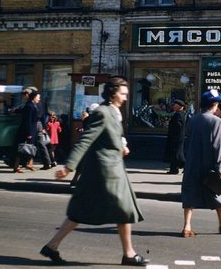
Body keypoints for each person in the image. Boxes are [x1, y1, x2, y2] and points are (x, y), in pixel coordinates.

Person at [40, 76, 149, 266]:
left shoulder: (114, 112)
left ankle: (52, 245)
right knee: (123, 211)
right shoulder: (103, 112)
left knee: (82, 210)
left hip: (111, 169)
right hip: (105, 172)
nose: (125, 98)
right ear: (113, 92)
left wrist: (120, 146)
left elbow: (109, 136)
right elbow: (86, 139)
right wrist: (68, 166)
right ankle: (129, 255)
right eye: (123, 94)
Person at [181, 90, 221, 237]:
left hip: (192, 163)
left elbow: (186, 141)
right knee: (216, 191)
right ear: (214, 105)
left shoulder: (193, 119)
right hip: (208, 165)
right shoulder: (217, 121)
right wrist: (220, 167)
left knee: (189, 192)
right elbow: (217, 146)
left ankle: (187, 226)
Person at [69, 103, 99, 188]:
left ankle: (75, 180)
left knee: (82, 164)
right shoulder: (98, 120)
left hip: (85, 144)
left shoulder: (86, 120)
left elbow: (85, 130)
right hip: (94, 145)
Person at [163, 99, 187, 174]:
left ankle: (183, 165)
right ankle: (174, 168)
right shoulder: (179, 114)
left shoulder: (179, 115)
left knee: (176, 154)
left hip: (176, 137)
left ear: (180, 107)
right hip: (177, 137)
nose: (173, 107)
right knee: (175, 154)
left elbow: (177, 127)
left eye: (175, 105)